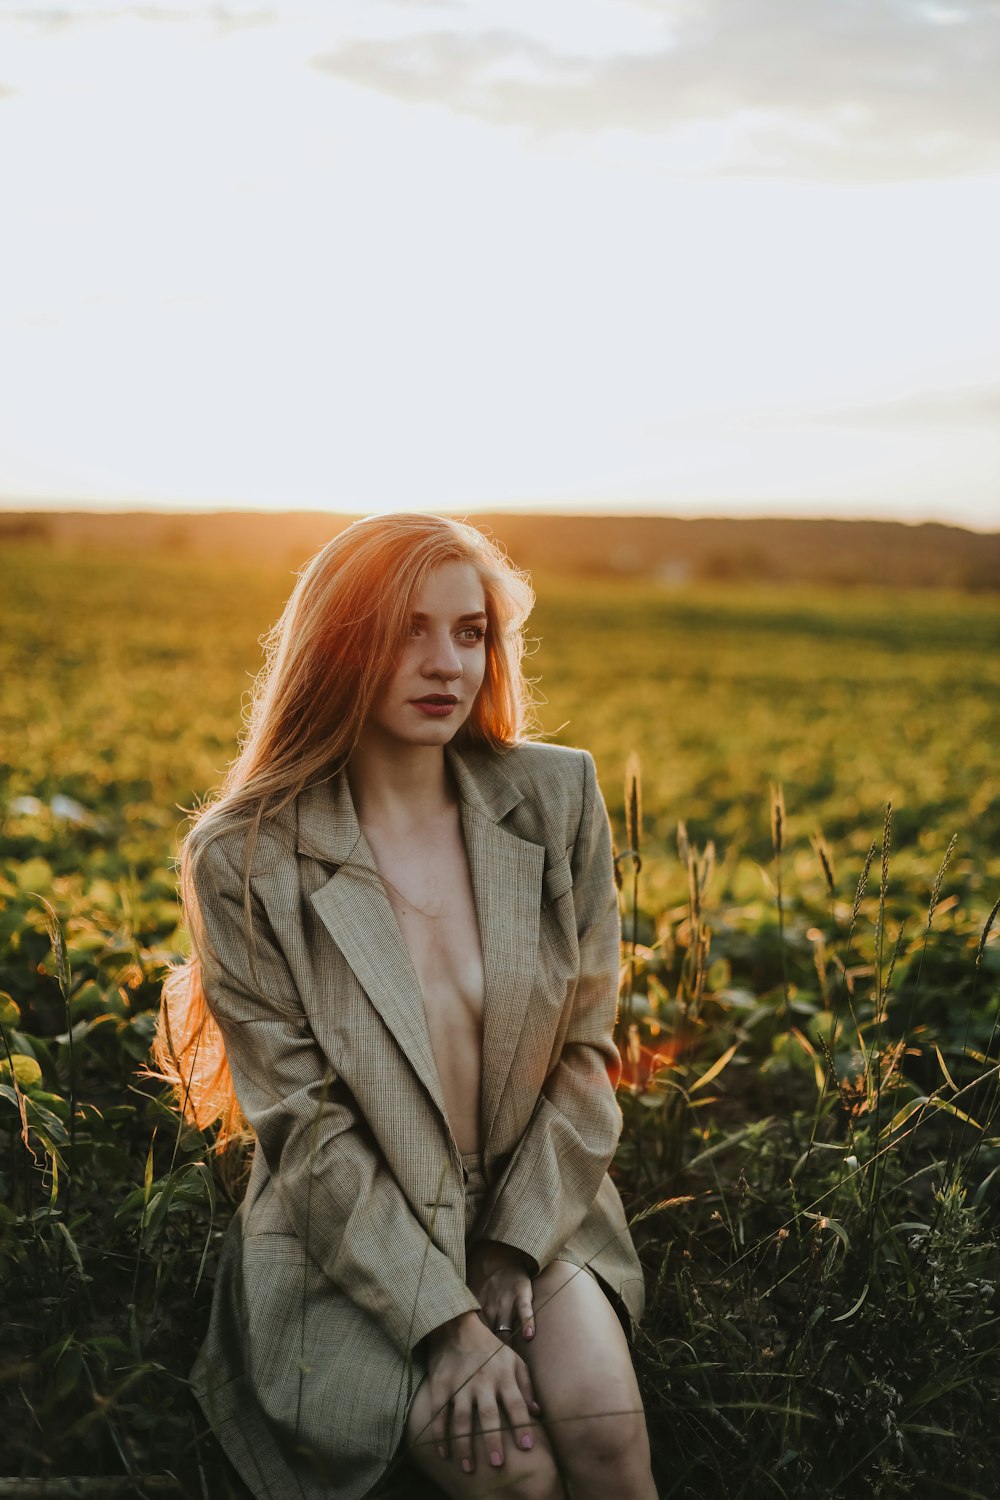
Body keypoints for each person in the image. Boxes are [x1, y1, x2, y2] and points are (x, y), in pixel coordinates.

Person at [154, 513, 658, 1500]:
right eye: (405, 631)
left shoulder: (555, 799)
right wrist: (448, 1324)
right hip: (351, 1234)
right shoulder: (246, 855)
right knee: (512, 1474)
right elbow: (305, 1132)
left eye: (468, 632)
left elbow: (587, 1055)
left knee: (606, 1441)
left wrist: (513, 1247)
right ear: (339, 647)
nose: (445, 664)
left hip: (537, 1205)